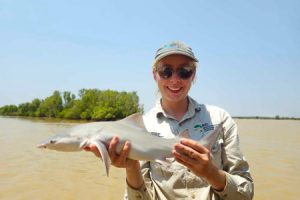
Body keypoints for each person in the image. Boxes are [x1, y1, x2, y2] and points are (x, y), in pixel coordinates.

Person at [85, 41, 254, 200]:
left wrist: (211, 173)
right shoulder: (140, 126)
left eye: (184, 71)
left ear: (193, 75)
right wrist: (131, 167)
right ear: (154, 75)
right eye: (166, 71)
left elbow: (246, 193)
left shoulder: (220, 119)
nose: (174, 79)